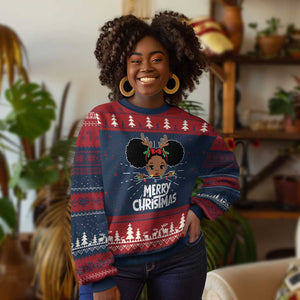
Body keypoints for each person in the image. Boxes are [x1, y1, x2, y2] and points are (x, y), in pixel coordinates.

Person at [71, 11, 240, 300]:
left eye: (156, 58)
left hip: (180, 259)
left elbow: (227, 175)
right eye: (135, 60)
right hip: (115, 261)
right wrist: (98, 278)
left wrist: (198, 210)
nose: (145, 67)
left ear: (173, 64)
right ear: (122, 67)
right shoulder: (101, 121)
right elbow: (86, 201)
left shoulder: (193, 128)